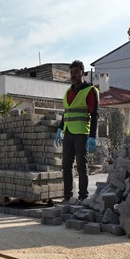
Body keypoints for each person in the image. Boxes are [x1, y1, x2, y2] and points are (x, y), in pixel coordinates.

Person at [54, 60, 99, 204]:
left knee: (81, 165)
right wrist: (60, 128)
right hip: (68, 134)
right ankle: (67, 197)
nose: (73, 75)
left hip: (82, 134)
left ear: (82, 73)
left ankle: (83, 196)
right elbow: (66, 112)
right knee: (66, 165)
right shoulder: (68, 91)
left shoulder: (90, 90)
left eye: (76, 72)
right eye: (71, 72)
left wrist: (92, 136)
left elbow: (94, 114)